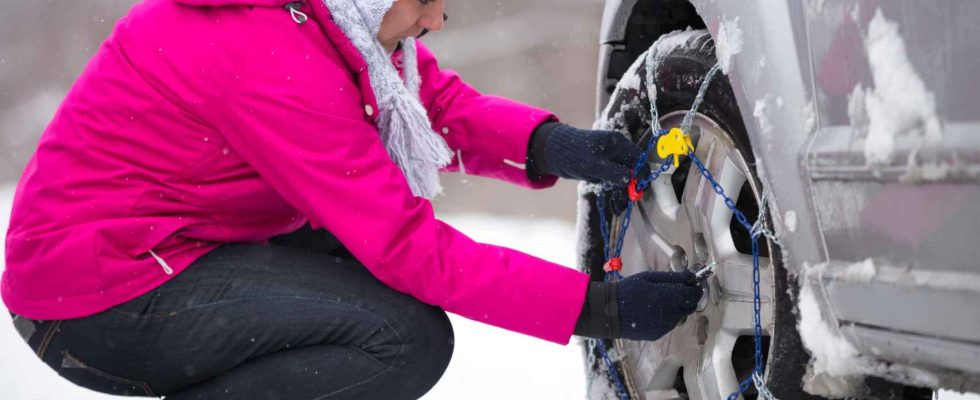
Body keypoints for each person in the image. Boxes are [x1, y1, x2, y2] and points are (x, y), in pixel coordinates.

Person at [1, 0, 703, 398]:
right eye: (424, 0)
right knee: (401, 340)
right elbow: (407, 248)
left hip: (159, 248)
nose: (437, 18)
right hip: (97, 297)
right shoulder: (268, 56)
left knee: (386, 310)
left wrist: (553, 146)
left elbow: (433, 106)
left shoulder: (323, 20)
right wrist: (594, 309)